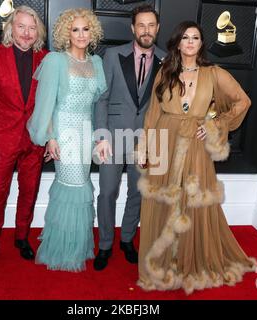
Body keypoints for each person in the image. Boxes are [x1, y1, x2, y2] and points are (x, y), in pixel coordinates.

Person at [137, 21, 257, 294]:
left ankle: (189, 259)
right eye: (185, 37)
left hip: (194, 143)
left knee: (192, 200)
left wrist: (215, 123)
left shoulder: (214, 73)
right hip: (165, 141)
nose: (190, 42)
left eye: (196, 37)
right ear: (177, 43)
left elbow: (243, 101)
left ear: (202, 43)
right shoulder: (165, 72)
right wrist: (145, 149)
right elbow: (152, 115)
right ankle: (165, 258)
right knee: (164, 201)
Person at [27, 8, 106, 271]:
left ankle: (77, 245)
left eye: (85, 29)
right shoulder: (55, 61)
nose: (81, 34)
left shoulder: (96, 63)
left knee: (82, 186)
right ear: (66, 33)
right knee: (71, 187)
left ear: (92, 31)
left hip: (85, 133)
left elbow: (96, 106)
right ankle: (62, 250)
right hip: (63, 131)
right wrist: (50, 137)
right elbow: (46, 103)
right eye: (75, 30)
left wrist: (97, 137)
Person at [0, 6, 48, 272]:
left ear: (38, 30)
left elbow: (52, 103)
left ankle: (21, 237)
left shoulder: (46, 58)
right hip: (2, 140)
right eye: (21, 26)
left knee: (29, 193)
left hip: (35, 141)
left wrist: (49, 137)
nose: (27, 33)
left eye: (32, 27)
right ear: (11, 28)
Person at [93, 4, 165, 271]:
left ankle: (126, 240)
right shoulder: (112, 55)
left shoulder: (165, 59)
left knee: (137, 192)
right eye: (141, 25)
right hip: (112, 137)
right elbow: (101, 99)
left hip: (145, 142)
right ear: (133, 28)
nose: (146, 30)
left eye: (151, 25)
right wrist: (101, 137)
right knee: (108, 192)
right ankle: (105, 244)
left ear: (157, 28)